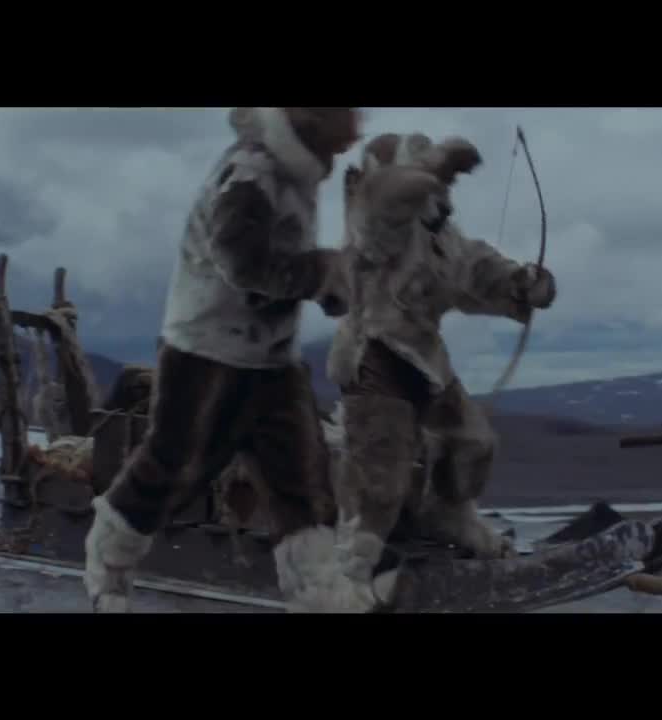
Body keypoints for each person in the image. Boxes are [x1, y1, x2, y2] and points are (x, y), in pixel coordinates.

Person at [82, 107, 363, 613]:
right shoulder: (251, 173)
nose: (350, 140)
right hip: (206, 351)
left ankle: (323, 597)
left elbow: (288, 264)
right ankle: (109, 571)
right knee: (172, 469)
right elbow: (242, 263)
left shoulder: (295, 176)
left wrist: (334, 285)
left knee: (302, 483)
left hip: (272, 361)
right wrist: (323, 272)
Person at [322, 132, 557, 610]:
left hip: (425, 361)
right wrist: (439, 166)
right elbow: (385, 205)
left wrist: (523, 283)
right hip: (375, 357)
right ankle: (350, 574)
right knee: (381, 477)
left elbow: (478, 271)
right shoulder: (376, 229)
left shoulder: (443, 239)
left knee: (473, 442)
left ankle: (450, 515)